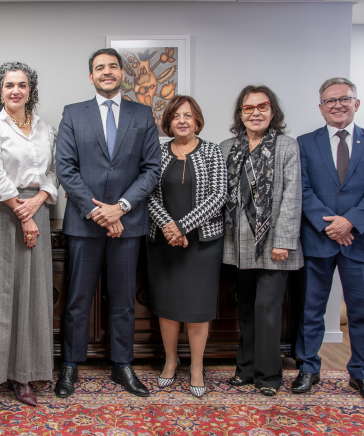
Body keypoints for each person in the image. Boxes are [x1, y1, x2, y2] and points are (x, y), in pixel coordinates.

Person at [55, 48, 161, 398]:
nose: (106, 72)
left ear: (121, 73)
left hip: (127, 225)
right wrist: (98, 211)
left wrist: (121, 208)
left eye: (112, 66)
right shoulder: (73, 113)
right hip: (85, 224)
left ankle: (122, 364)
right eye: (99, 67)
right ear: (91, 76)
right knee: (77, 298)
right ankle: (69, 365)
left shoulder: (142, 114)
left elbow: (151, 169)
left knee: (123, 300)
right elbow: (65, 168)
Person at [293, 77, 364, 405]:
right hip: (318, 239)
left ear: (356, 103)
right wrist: (330, 225)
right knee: (311, 309)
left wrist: (350, 221)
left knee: (362, 312)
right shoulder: (305, 143)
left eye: (344, 99)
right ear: (321, 108)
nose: (337, 105)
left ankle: (361, 373)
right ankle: (308, 367)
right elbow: (302, 189)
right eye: (330, 101)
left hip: (359, 239)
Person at [0, 61, 58, 407]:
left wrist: (37, 203)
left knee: (33, 293)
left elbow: (53, 172)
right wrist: (23, 215)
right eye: (9, 85)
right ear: (0, 91)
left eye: (22, 85)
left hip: (38, 209)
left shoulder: (46, 129)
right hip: (4, 213)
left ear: (30, 90)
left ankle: (26, 373)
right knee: (2, 291)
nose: (15, 91)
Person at [220, 85, 303, 397]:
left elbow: (292, 195)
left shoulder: (286, 146)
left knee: (267, 310)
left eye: (262, 107)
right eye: (248, 108)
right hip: (238, 243)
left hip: (273, 244)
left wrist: (284, 240)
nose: (255, 113)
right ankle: (245, 369)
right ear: (240, 114)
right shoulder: (228, 147)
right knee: (245, 309)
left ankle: (268, 376)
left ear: (272, 111)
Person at [146, 95, 226, 398]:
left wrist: (182, 227)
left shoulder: (212, 151)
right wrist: (169, 227)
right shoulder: (157, 152)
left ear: (197, 121)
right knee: (167, 307)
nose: (182, 120)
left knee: (197, 309)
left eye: (188, 115)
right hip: (164, 242)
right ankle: (171, 360)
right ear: (168, 122)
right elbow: (148, 193)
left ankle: (196, 366)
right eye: (176, 116)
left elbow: (219, 195)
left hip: (202, 244)